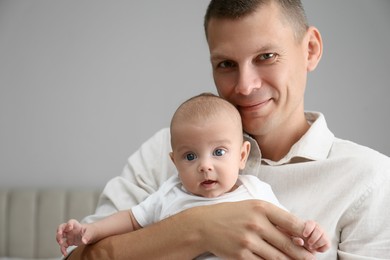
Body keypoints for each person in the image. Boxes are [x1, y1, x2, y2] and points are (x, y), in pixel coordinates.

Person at [67, 0, 390, 259]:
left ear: (310, 50)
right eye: (226, 65)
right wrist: (197, 229)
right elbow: (78, 256)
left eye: (266, 56)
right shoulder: (165, 152)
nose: (246, 86)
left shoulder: (369, 179)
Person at [57, 93, 330, 258]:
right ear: (174, 162)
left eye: (219, 152)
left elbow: (287, 230)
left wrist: (309, 233)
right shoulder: (170, 193)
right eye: (190, 156)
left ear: (242, 155)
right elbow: (130, 218)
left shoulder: (255, 192)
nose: (205, 165)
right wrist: (91, 231)